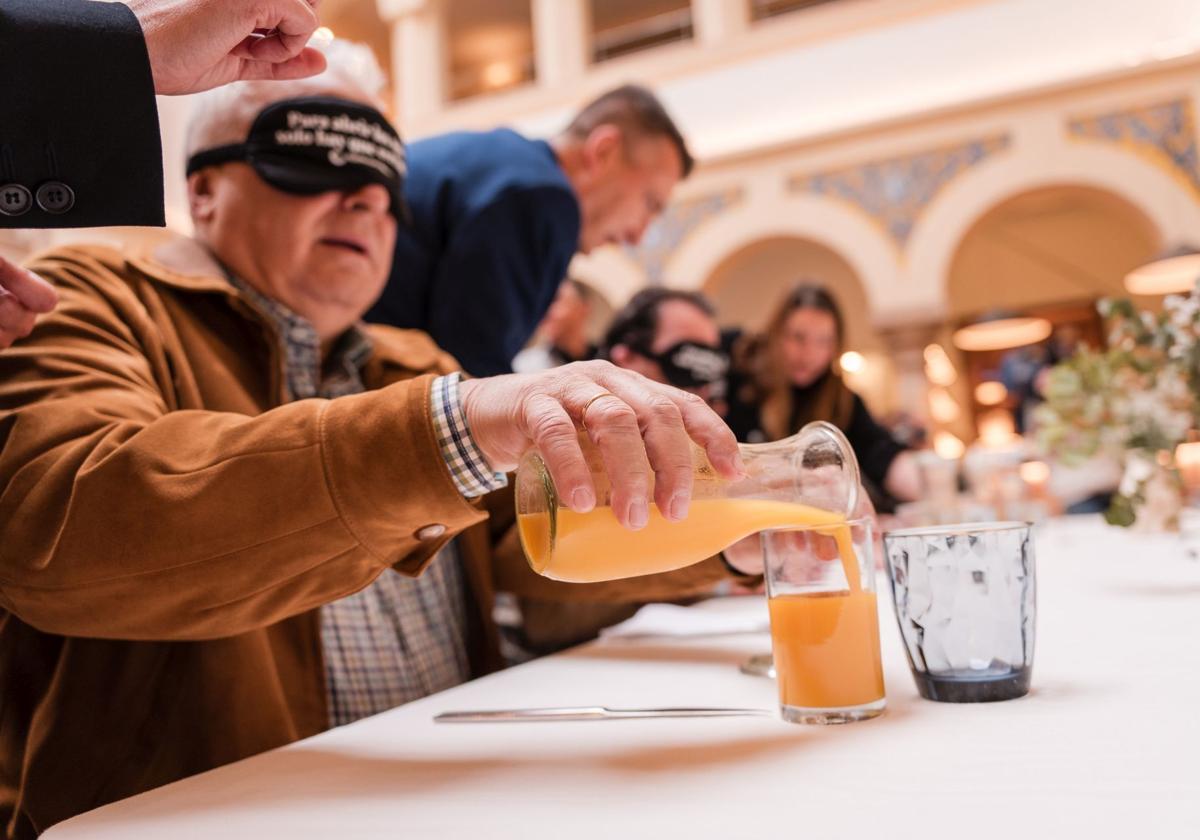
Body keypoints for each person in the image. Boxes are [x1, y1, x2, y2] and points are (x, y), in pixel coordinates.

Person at [0, 49, 753, 838]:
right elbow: (58, 521)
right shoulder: (89, 300)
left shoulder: (412, 361)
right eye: (318, 156)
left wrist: (738, 531)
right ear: (204, 188)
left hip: (473, 806)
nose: (364, 198)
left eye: (387, 182)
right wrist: (448, 429)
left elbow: (536, 528)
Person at [0, 0, 327, 347]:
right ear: (203, 190)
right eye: (309, 171)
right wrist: (123, 42)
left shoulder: (389, 350)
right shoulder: (107, 296)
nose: (365, 202)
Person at [366, 84, 694, 377]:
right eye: (649, 203)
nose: (638, 235)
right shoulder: (541, 197)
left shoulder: (506, 165)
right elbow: (475, 380)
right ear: (603, 152)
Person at [727, 283, 921, 508]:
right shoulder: (740, 380)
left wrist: (924, 485)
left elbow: (879, 452)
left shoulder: (842, 400)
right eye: (798, 338)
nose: (809, 354)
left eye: (824, 342)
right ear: (776, 333)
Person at [512, 278, 597, 373]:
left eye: (555, 300)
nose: (545, 310)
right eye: (543, 302)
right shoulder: (523, 367)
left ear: (584, 307)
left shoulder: (609, 361)